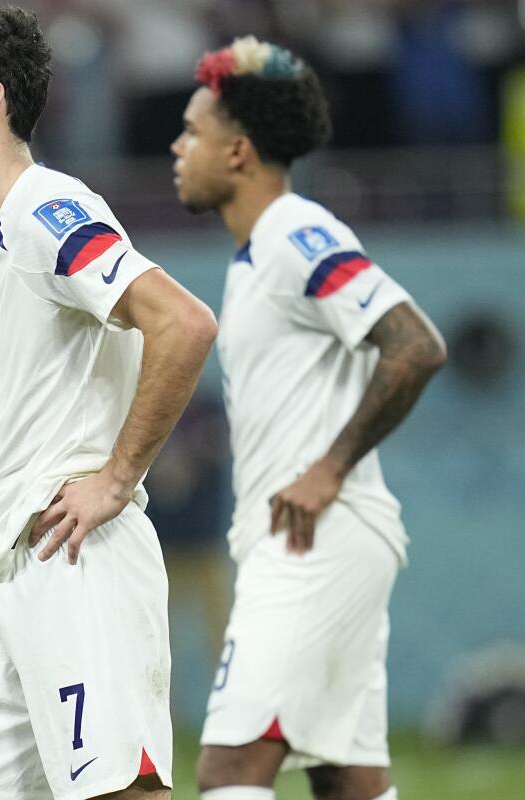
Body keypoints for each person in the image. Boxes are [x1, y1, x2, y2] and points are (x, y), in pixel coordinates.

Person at [0, 7, 217, 800]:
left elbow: (183, 323)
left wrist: (115, 479)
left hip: (74, 558)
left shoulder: (47, 211)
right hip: (1, 560)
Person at [169, 37, 448, 800]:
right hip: (307, 542)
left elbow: (415, 345)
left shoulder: (295, 232)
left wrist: (328, 469)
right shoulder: (256, 255)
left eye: (193, 131)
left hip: (315, 541)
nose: (176, 145)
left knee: (230, 768)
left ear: (240, 151)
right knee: (347, 781)